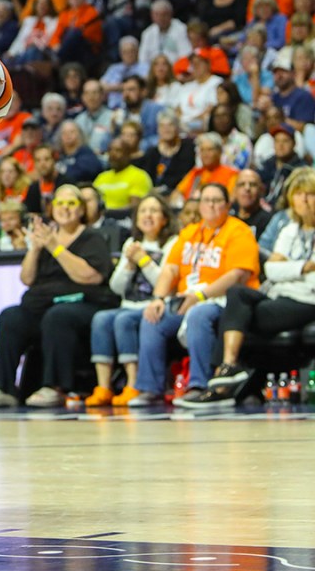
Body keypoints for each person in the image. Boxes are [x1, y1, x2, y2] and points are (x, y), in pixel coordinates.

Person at [0, 184, 119, 408]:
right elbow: (27, 278)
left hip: (84, 304)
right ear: (52, 209)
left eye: (72, 203)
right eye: (60, 203)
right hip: (44, 304)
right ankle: (3, 387)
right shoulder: (45, 239)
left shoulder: (93, 238)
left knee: (58, 316)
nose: (65, 208)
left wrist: (56, 247)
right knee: (11, 317)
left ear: (81, 210)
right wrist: (34, 248)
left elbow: (91, 276)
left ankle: (55, 387)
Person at [131, 183, 260, 406]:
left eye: (216, 200)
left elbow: (237, 274)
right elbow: (170, 268)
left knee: (199, 314)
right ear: (198, 205)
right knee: (152, 318)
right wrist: (158, 298)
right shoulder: (190, 233)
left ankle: (200, 385)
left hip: (224, 301)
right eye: (206, 200)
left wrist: (201, 296)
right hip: (186, 298)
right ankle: (150, 389)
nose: (211, 205)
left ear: (228, 205)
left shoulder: (239, 230)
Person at [195, 168, 315, 407]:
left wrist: (289, 268)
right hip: (282, 295)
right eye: (299, 194)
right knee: (237, 294)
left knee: (239, 318)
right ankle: (229, 367)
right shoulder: (290, 229)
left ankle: (225, 380)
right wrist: (305, 266)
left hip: (307, 300)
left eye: (310, 194)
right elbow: (271, 270)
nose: (304, 199)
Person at [86, 195, 179, 407]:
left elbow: (166, 283)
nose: (148, 215)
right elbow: (116, 287)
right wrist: (128, 265)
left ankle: (133, 383)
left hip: (154, 305)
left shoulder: (172, 243)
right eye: (144, 211)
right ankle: (103, 386)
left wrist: (144, 261)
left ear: (165, 218)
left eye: (154, 211)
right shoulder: (131, 243)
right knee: (101, 319)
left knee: (123, 321)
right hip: (128, 304)